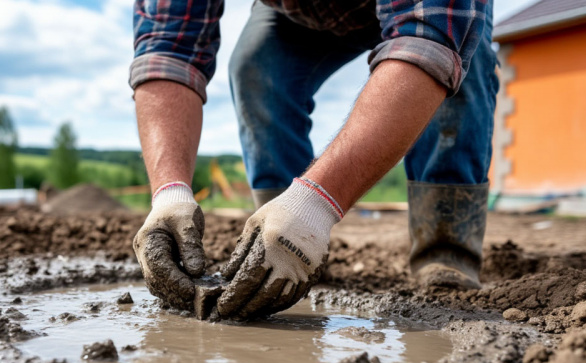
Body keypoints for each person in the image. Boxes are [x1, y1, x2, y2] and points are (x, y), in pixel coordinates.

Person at [130, 0, 498, 320]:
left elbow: (429, 35)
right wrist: (170, 194)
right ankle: (279, 248)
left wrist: (316, 204)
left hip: (430, 11)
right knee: (256, 67)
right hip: (301, 14)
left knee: (465, 51)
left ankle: (446, 253)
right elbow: (168, 47)